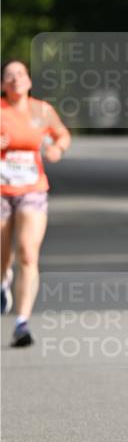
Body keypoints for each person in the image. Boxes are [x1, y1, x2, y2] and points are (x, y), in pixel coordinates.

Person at [1, 59, 71, 346]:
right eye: (9, 76)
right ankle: (4, 280)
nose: (16, 79)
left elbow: (63, 134)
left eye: (21, 74)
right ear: (3, 84)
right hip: (2, 190)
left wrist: (57, 148)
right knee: (3, 256)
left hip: (33, 189)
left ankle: (22, 322)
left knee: (28, 253)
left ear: (29, 81)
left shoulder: (42, 111)